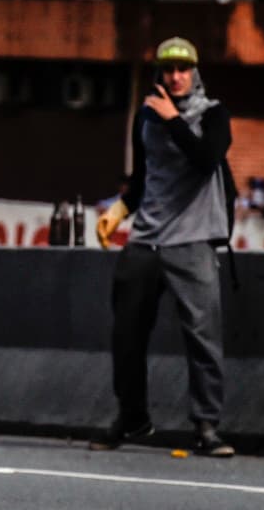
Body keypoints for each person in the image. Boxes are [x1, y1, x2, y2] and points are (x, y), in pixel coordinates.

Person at [90, 37, 236, 458]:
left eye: (183, 69)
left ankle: (207, 427)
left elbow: (207, 159)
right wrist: (119, 210)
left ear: (194, 73)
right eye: (168, 70)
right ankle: (132, 417)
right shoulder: (146, 118)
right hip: (146, 238)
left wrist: (174, 119)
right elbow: (142, 179)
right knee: (126, 334)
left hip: (193, 240)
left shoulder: (213, 114)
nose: (175, 77)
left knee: (202, 338)